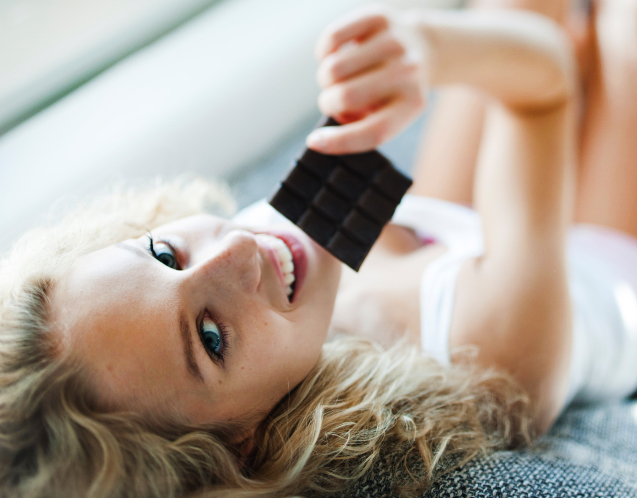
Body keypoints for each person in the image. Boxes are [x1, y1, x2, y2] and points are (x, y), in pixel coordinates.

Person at [1, 1, 636, 496]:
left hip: (449, 231)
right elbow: (545, 86)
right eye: (210, 336)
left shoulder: (272, 273)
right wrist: (438, 48)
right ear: (244, 447)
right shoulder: (488, 352)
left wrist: (393, 66)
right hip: (596, 265)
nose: (238, 251)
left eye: (165, 255)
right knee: (620, 38)